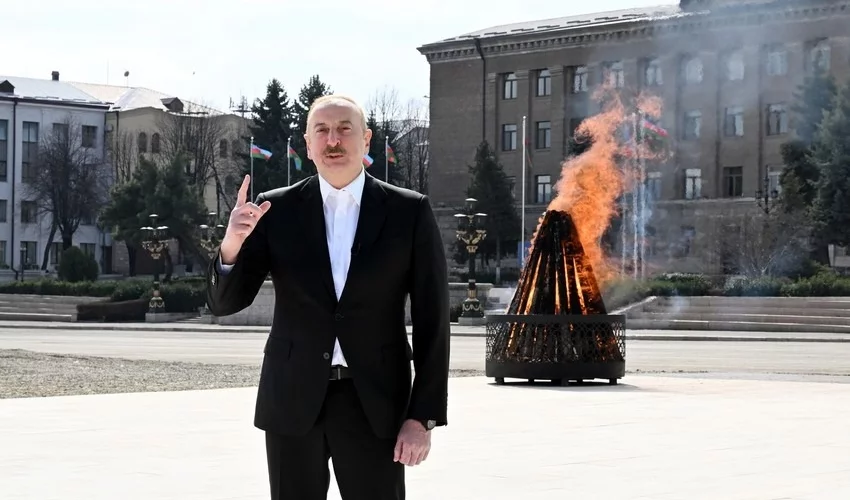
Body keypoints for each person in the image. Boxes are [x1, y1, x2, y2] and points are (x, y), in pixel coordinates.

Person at [205, 94, 450, 500]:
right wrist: (231, 244)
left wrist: (422, 417)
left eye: (344, 129)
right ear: (308, 144)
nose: (333, 140)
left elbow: (433, 322)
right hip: (292, 401)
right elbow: (223, 304)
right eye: (321, 130)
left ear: (366, 140)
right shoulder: (274, 210)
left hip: (375, 405)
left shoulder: (408, 212)